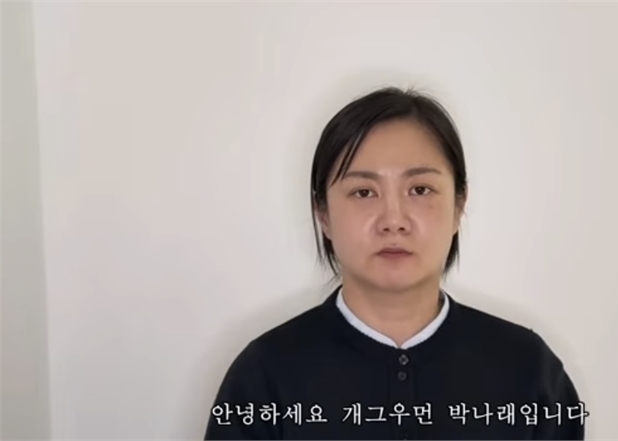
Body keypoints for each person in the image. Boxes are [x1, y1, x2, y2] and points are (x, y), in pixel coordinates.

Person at [204, 87, 586, 440]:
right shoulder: (264, 377)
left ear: (459, 205)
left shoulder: (528, 369)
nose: (393, 220)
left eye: (420, 190)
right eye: (363, 192)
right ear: (323, 214)